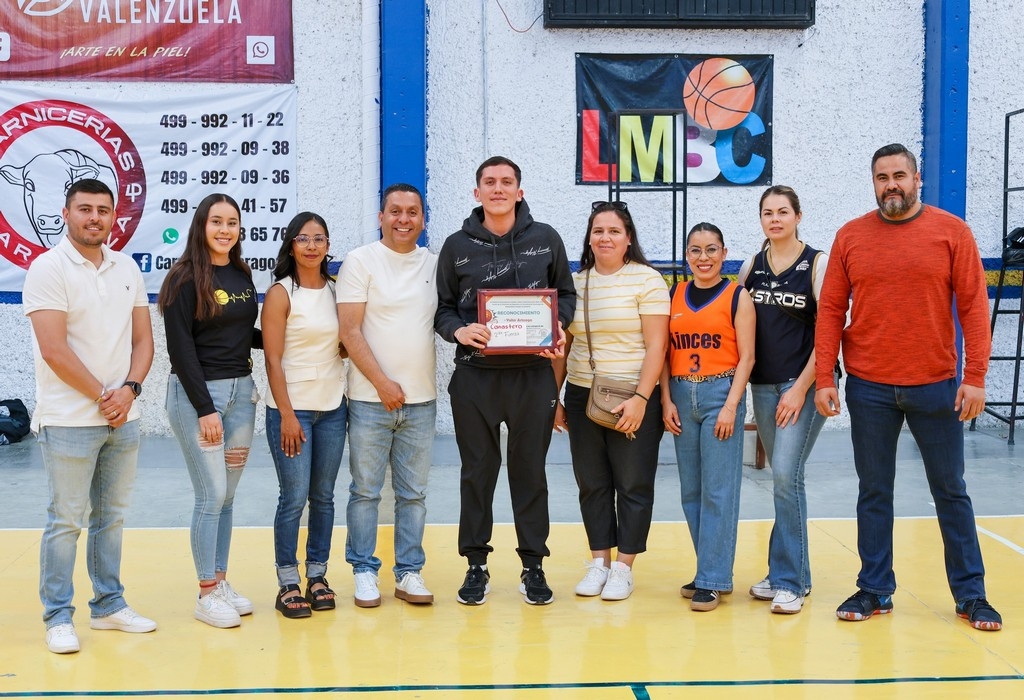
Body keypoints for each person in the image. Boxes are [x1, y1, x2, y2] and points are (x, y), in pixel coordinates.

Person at [815, 143, 1002, 631]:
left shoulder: (952, 232)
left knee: (951, 491)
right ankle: (875, 589)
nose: (891, 185)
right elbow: (831, 309)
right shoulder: (851, 236)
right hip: (869, 386)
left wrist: (976, 377)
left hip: (936, 386)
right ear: (873, 183)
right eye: (882, 177)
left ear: (917, 180)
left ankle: (971, 595)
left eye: (900, 175)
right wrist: (824, 376)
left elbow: (974, 306)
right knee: (874, 491)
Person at [435, 156, 576, 605]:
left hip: (532, 376)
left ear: (520, 191)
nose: (498, 189)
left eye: (507, 182)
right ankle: (476, 565)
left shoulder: (546, 239)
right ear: (477, 192)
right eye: (490, 182)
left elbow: (566, 295)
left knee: (530, 474)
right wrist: (459, 331)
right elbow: (443, 309)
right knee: (477, 474)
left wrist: (559, 325)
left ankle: (533, 566)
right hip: (475, 377)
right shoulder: (456, 246)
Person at [24, 178, 156, 654]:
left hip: (123, 416)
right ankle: (58, 616)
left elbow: (144, 340)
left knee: (111, 518)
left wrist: (130, 391)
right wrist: (105, 396)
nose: (94, 217)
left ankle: (108, 605)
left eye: (103, 210)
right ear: (66, 214)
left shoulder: (127, 268)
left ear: (114, 216)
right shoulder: (48, 268)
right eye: (85, 209)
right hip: (68, 420)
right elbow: (54, 349)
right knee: (66, 520)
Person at [552, 201, 669, 601]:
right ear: (589, 238)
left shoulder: (648, 280)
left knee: (633, 483)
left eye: (614, 231)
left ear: (628, 238)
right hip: (582, 395)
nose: (605, 238)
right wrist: (555, 398)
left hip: (632, 396)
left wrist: (641, 398)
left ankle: (623, 568)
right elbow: (564, 348)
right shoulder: (575, 283)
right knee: (592, 483)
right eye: (598, 231)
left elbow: (657, 346)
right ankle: (600, 562)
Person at [158, 193, 261, 629]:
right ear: (201, 226)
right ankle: (205, 594)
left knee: (228, 496)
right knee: (211, 495)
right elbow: (181, 349)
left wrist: (300, 338)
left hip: (242, 395)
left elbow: (243, 334)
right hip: (200, 398)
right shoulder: (183, 278)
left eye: (232, 222)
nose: (224, 229)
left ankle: (220, 582)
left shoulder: (241, 273)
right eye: (216, 221)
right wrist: (205, 408)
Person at [337, 183, 438, 608]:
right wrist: (381, 382)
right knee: (366, 491)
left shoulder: (434, 264)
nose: (403, 219)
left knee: (414, 494)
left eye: (412, 212)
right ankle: (364, 570)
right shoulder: (361, 261)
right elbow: (349, 330)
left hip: (421, 401)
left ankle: (409, 572)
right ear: (381, 217)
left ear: (422, 219)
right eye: (395, 211)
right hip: (369, 399)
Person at [737, 186, 829, 614]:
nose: (775, 219)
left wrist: (800, 388)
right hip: (763, 385)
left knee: (785, 477)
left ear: (798, 216)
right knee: (786, 479)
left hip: (800, 386)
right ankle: (789, 573)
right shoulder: (751, 266)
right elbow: (738, 323)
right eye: (768, 213)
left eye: (783, 212)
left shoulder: (817, 263)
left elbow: (830, 332)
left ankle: (790, 581)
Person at [663, 222, 756, 612]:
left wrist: (732, 406)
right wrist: (666, 401)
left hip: (721, 393)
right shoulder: (674, 294)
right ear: (687, 255)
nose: (704, 257)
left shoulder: (737, 296)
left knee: (719, 490)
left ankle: (712, 578)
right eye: (696, 250)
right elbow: (664, 353)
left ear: (724, 253)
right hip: (681, 394)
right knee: (692, 491)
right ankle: (709, 570)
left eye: (711, 249)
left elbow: (747, 358)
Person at [262, 212, 347, 619]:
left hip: (332, 408)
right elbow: (273, 361)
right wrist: (287, 414)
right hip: (292, 410)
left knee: (324, 498)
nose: (311, 246)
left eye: (319, 238)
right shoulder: (281, 293)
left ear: (328, 245)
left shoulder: (336, 290)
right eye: (303, 238)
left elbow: (343, 343)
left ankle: (317, 576)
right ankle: (287, 582)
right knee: (293, 498)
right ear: (291, 245)